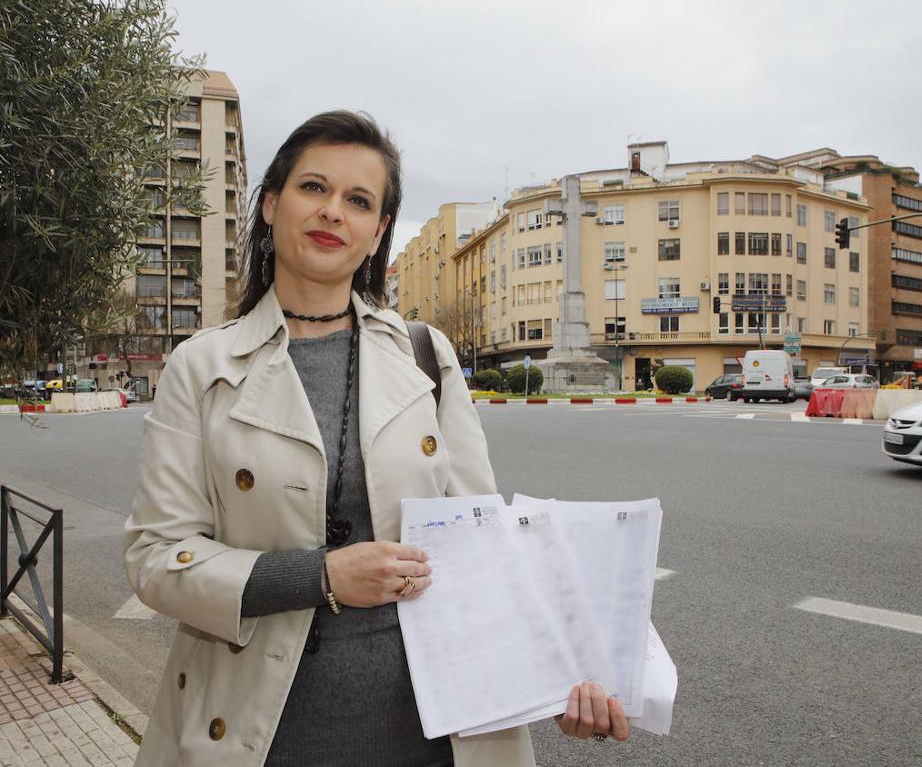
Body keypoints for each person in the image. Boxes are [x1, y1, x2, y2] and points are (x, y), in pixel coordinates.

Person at [124, 111, 629, 767]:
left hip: (436, 733)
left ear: (378, 232)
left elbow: (483, 546)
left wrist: (557, 674)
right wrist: (322, 575)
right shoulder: (202, 366)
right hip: (262, 735)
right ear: (272, 205)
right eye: (314, 188)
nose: (334, 211)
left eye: (358, 201)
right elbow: (156, 557)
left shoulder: (424, 354)